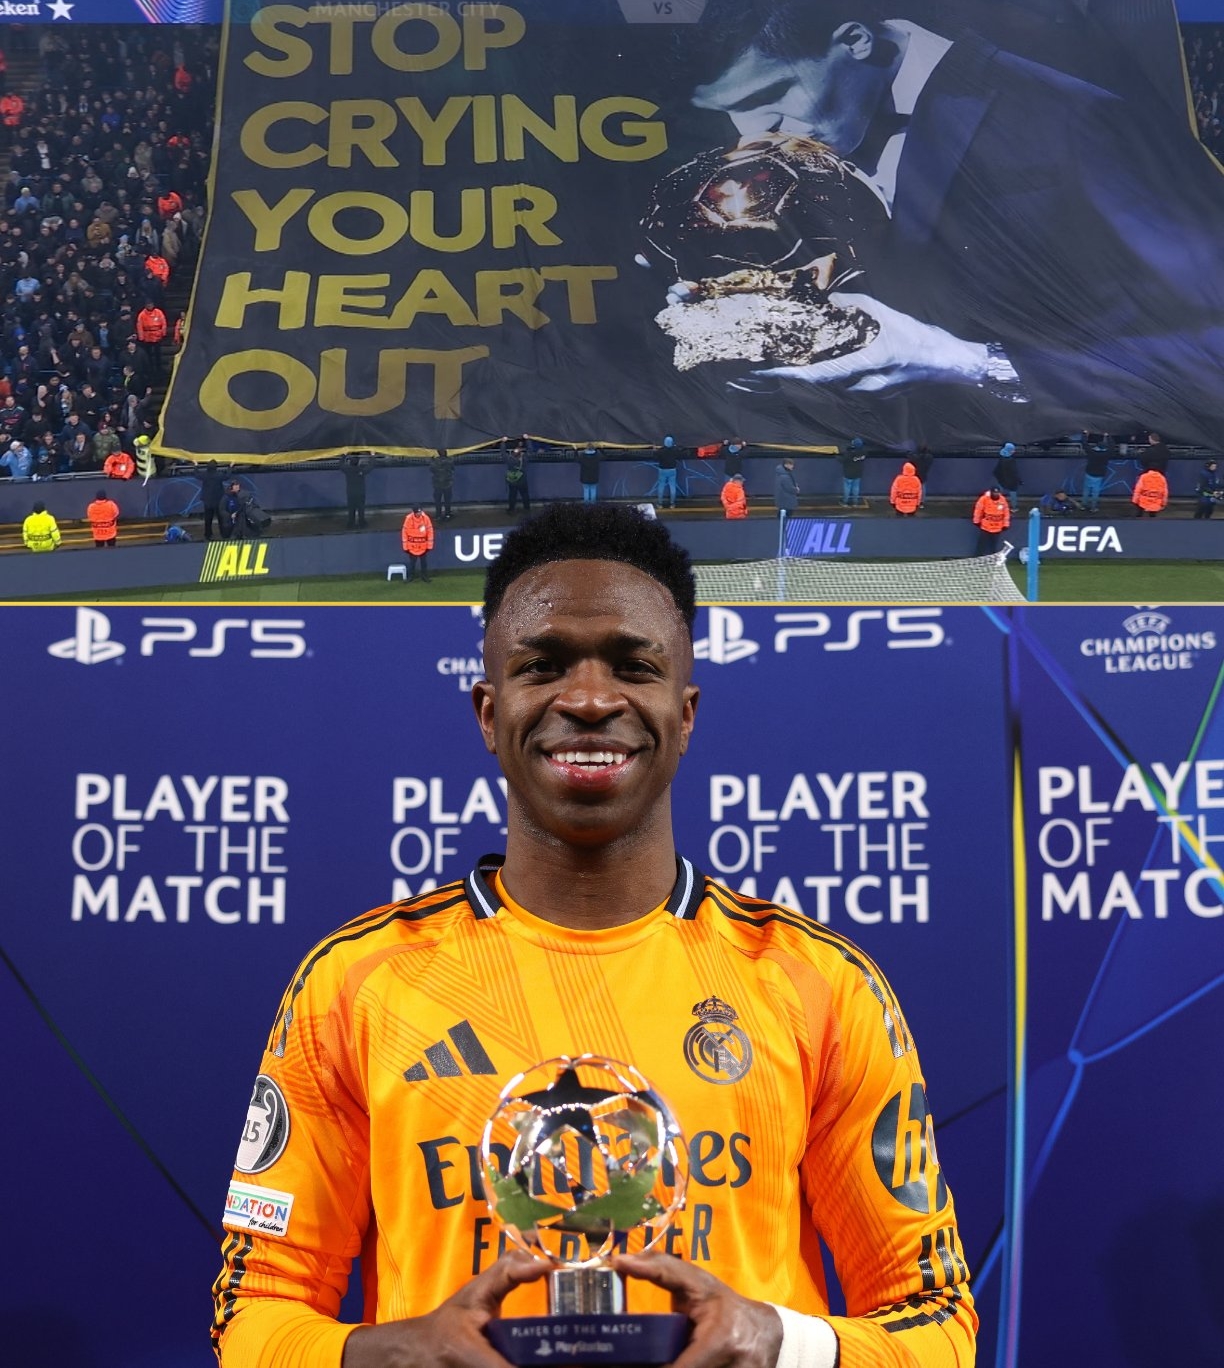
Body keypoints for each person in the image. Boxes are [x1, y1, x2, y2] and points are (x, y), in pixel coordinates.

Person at [211, 503, 975, 1366]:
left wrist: (782, 1345)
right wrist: (384, 1357)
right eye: (542, 666)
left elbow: (936, 1320)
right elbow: (255, 1306)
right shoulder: (358, 982)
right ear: (488, 712)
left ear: (685, 714)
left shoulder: (816, 983)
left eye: (633, 667)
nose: (587, 699)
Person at [685, 0, 1224, 447]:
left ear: (855, 42)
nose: (752, 135)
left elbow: (1203, 347)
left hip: (1049, 455)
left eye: (769, 95)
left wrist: (971, 362)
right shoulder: (807, 145)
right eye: (730, 111)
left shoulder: (1072, 119)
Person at [400, 503, 434, 581]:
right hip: (412, 546)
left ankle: (424, 576)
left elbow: (430, 531)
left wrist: (429, 546)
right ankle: (411, 577)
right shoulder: (408, 519)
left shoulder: (426, 518)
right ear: (414, 512)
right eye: (418, 512)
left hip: (423, 546)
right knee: (412, 563)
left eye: (420, 511)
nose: (419, 513)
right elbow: (404, 532)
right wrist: (405, 547)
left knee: (424, 563)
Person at [972, 485, 1011, 554]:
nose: (995, 494)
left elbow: (1006, 512)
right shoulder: (984, 499)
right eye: (994, 492)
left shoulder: (1002, 500)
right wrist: (976, 521)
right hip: (986, 527)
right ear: (991, 492)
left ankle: (993, 558)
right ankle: (978, 557)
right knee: (981, 545)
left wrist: (1006, 524)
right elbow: (978, 510)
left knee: (994, 546)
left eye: (997, 493)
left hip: (997, 527)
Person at [1080, 434, 1112, 513]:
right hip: (1099, 475)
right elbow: (1112, 446)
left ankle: (1083, 505)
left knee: (1086, 491)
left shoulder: (1091, 452)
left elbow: (1084, 444)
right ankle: (1093, 507)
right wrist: (1108, 436)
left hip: (1089, 473)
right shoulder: (1107, 453)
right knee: (1095, 492)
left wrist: (1085, 434)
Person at [199, 461, 225, 540]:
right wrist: (230, 467)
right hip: (218, 500)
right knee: (221, 519)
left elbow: (196, 475)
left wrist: (196, 465)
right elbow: (227, 476)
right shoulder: (219, 475)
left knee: (208, 519)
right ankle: (224, 534)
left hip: (208, 501)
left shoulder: (204, 475)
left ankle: (208, 535)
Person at [343, 453, 370, 529]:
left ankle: (351, 523)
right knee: (361, 509)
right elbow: (371, 466)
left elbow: (340, 465)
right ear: (358, 462)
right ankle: (362, 523)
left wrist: (344, 455)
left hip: (350, 493)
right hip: (360, 493)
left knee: (351, 509)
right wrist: (372, 455)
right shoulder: (361, 470)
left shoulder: (347, 470)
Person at [505, 439, 531, 514]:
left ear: (513, 453)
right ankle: (527, 508)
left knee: (512, 496)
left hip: (512, 481)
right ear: (521, 454)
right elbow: (530, 450)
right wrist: (527, 439)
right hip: (522, 481)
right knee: (525, 495)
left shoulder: (509, 459)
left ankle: (511, 509)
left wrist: (503, 442)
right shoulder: (524, 459)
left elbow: (503, 452)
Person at [839, 438, 865, 506]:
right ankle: (855, 502)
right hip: (858, 472)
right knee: (856, 487)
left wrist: (835, 456)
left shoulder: (849, 453)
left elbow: (842, 460)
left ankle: (845, 502)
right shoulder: (864, 452)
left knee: (847, 487)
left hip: (848, 473)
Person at [655, 435, 680, 507]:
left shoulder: (660, 451)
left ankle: (660, 504)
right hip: (672, 470)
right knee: (672, 486)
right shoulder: (675, 450)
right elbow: (679, 454)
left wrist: (655, 450)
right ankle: (672, 504)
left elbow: (656, 457)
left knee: (661, 486)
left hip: (662, 470)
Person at [431, 449, 455, 520]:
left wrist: (432, 460)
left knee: (438, 500)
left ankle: (438, 515)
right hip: (447, 484)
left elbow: (431, 470)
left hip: (437, 484)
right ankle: (447, 514)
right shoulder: (450, 460)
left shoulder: (435, 461)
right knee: (447, 500)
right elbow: (453, 468)